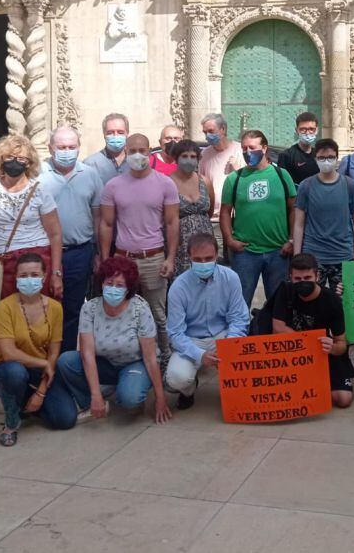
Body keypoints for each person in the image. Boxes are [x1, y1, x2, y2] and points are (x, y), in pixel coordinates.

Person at [0, 134, 63, 427]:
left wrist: (57, 272)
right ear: (0, 159)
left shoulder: (40, 190)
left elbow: (55, 234)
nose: (15, 163)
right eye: (10, 157)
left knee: (39, 324)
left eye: (22, 159)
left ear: (31, 163)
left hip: (36, 264)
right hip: (0, 265)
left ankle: (38, 384)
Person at [53, 256, 172, 426]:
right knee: (66, 361)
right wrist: (95, 395)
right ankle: (90, 403)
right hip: (106, 363)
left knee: (130, 398)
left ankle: (133, 389)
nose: (113, 289)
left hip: (135, 363)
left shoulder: (140, 308)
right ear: (101, 283)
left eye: (119, 285)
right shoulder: (90, 308)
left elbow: (150, 357)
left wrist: (161, 398)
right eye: (109, 283)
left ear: (128, 288)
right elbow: (86, 353)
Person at [99, 133, 180, 359]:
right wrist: (107, 260)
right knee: (122, 312)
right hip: (123, 259)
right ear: (126, 151)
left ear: (149, 151)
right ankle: (128, 359)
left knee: (158, 314)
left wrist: (170, 258)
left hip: (154, 257)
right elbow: (106, 224)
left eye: (142, 150)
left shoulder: (165, 183)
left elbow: (172, 222)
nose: (137, 155)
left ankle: (165, 357)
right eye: (132, 150)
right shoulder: (113, 186)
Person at [0, 253, 73, 445]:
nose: (29, 280)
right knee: (15, 372)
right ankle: (11, 422)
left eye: (34, 274)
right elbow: (9, 354)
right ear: (15, 278)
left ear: (44, 275)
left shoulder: (55, 308)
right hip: (4, 371)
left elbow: (54, 351)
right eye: (23, 276)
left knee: (64, 419)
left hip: (38, 373)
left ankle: (24, 404)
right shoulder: (5, 307)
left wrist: (40, 393)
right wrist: (45, 363)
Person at [165, 234, 251, 409]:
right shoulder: (178, 287)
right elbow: (175, 332)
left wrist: (229, 345)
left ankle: (234, 391)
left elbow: (239, 317)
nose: (203, 263)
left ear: (217, 255)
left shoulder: (231, 278)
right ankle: (188, 391)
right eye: (197, 259)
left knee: (246, 365)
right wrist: (199, 355)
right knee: (176, 378)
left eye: (208, 258)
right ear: (189, 257)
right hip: (192, 339)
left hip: (223, 334)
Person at [38, 126, 103, 353]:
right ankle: (41, 364)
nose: (67, 151)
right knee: (42, 309)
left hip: (79, 252)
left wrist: (97, 253)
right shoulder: (38, 174)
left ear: (79, 147)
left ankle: (64, 361)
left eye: (71, 147)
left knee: (72, 310)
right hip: (44, 254)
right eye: (61, 147)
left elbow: (97, 216)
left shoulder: (90, 174)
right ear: (50, 148)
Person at [221, 130, 296, 306]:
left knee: (279, 305)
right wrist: (230, 240)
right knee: (239, 304)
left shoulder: (282, 175)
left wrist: (291, 240)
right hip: (245, 253)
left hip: (278, 252)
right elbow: (225, 211)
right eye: (244, 148)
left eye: (252, 148)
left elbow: (294, 209)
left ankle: (276, 334)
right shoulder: (235, 179)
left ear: (264, 148)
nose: (248, 152)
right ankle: (240, 333)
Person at [272, 253, 354, 408]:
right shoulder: (285, 290)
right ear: (291, 277)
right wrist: (308, 342)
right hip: (293, 352)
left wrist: (332, 347)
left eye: (307, 278)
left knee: (344, 399)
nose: (302, 282)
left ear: (317, 276)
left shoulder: (332, 300)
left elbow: (341, 343)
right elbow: (278, 328)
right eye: (297, 279)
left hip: (322, 351)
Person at [293, 139, 354, 291]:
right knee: (310, 303)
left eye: (330, 157)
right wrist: (297, 257)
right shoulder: (306, 186)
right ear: (315, 159)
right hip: (313, 257)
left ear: (337, 158)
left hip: (343, 256)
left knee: (342, 305)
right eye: (321, 158)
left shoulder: (350, 185)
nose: (326, 161)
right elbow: (299, 223)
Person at [168, 140, 216, 279]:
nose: (189, 160)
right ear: (176, 158)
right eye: (184, 156)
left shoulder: (205, 181)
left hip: (206, 240)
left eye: (193, 156)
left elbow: (210, 210)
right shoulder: (167, 183)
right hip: (180, 245)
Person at [199, 112, 245, 217]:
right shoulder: (204, 155)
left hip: (235, 216)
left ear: (223, 129)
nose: (207, 136)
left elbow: (249, 183)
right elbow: (201, 184)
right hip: (212, 216)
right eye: (205, 132)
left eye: (211, 131)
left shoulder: (241, 151)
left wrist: (238, 170)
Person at [84, 113, 131, 186]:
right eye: (110, 133)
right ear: (104, 134)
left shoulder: (135, 162)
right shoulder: (90, 164)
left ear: (127, 133)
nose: (115, 136)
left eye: (120, 132)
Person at [277, 111, 320, 185]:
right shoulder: (286, 156)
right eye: (303, 129)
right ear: (297, 130)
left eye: (311, 129)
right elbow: (283, 184)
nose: (307, 133)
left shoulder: (320, 155)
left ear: (316, 130)